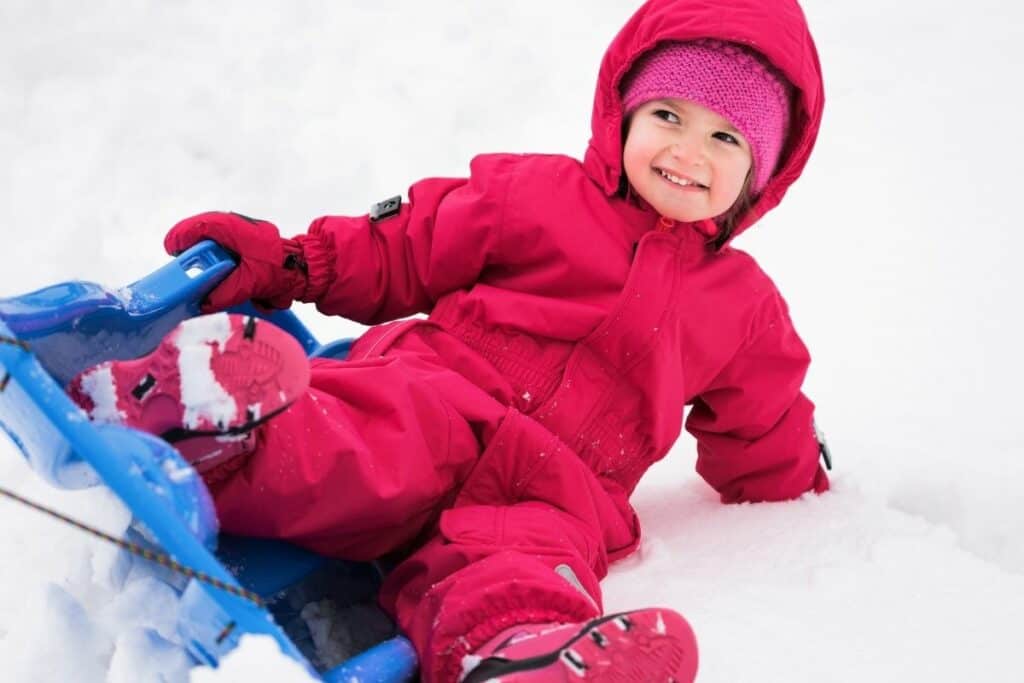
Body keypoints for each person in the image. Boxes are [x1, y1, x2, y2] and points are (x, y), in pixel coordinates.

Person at [68, 0, 831, 680]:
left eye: (725, 136)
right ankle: (215, 423)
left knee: (526, 566)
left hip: (556, 487)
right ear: (623, 112)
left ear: (763, 172)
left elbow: (764, 422)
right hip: (438, 394)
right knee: (353, 441)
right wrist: (295, 262)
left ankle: (518, 655)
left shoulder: (746, 310)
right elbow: (402, 245)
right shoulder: (535, 195)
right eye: (668, 115)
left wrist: (796, 477)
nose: (687, 153)